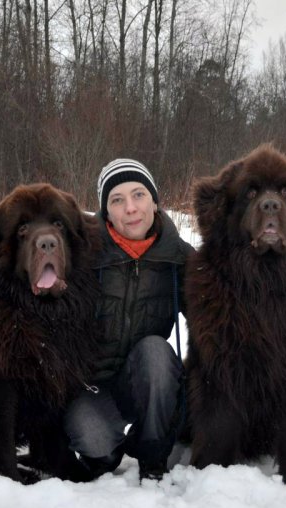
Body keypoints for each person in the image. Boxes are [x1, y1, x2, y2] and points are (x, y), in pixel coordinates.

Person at [64, 158, 195, 481]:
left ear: (155, 200)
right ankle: (107, 452)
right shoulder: (84, 251)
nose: (131, 208)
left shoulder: (178, 256)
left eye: (139, 195)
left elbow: (218, 314)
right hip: (91, 384)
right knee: (94, 440)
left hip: (147, 379)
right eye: (117, 200)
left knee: (154, 351)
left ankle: (152, 451)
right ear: (105, 211)